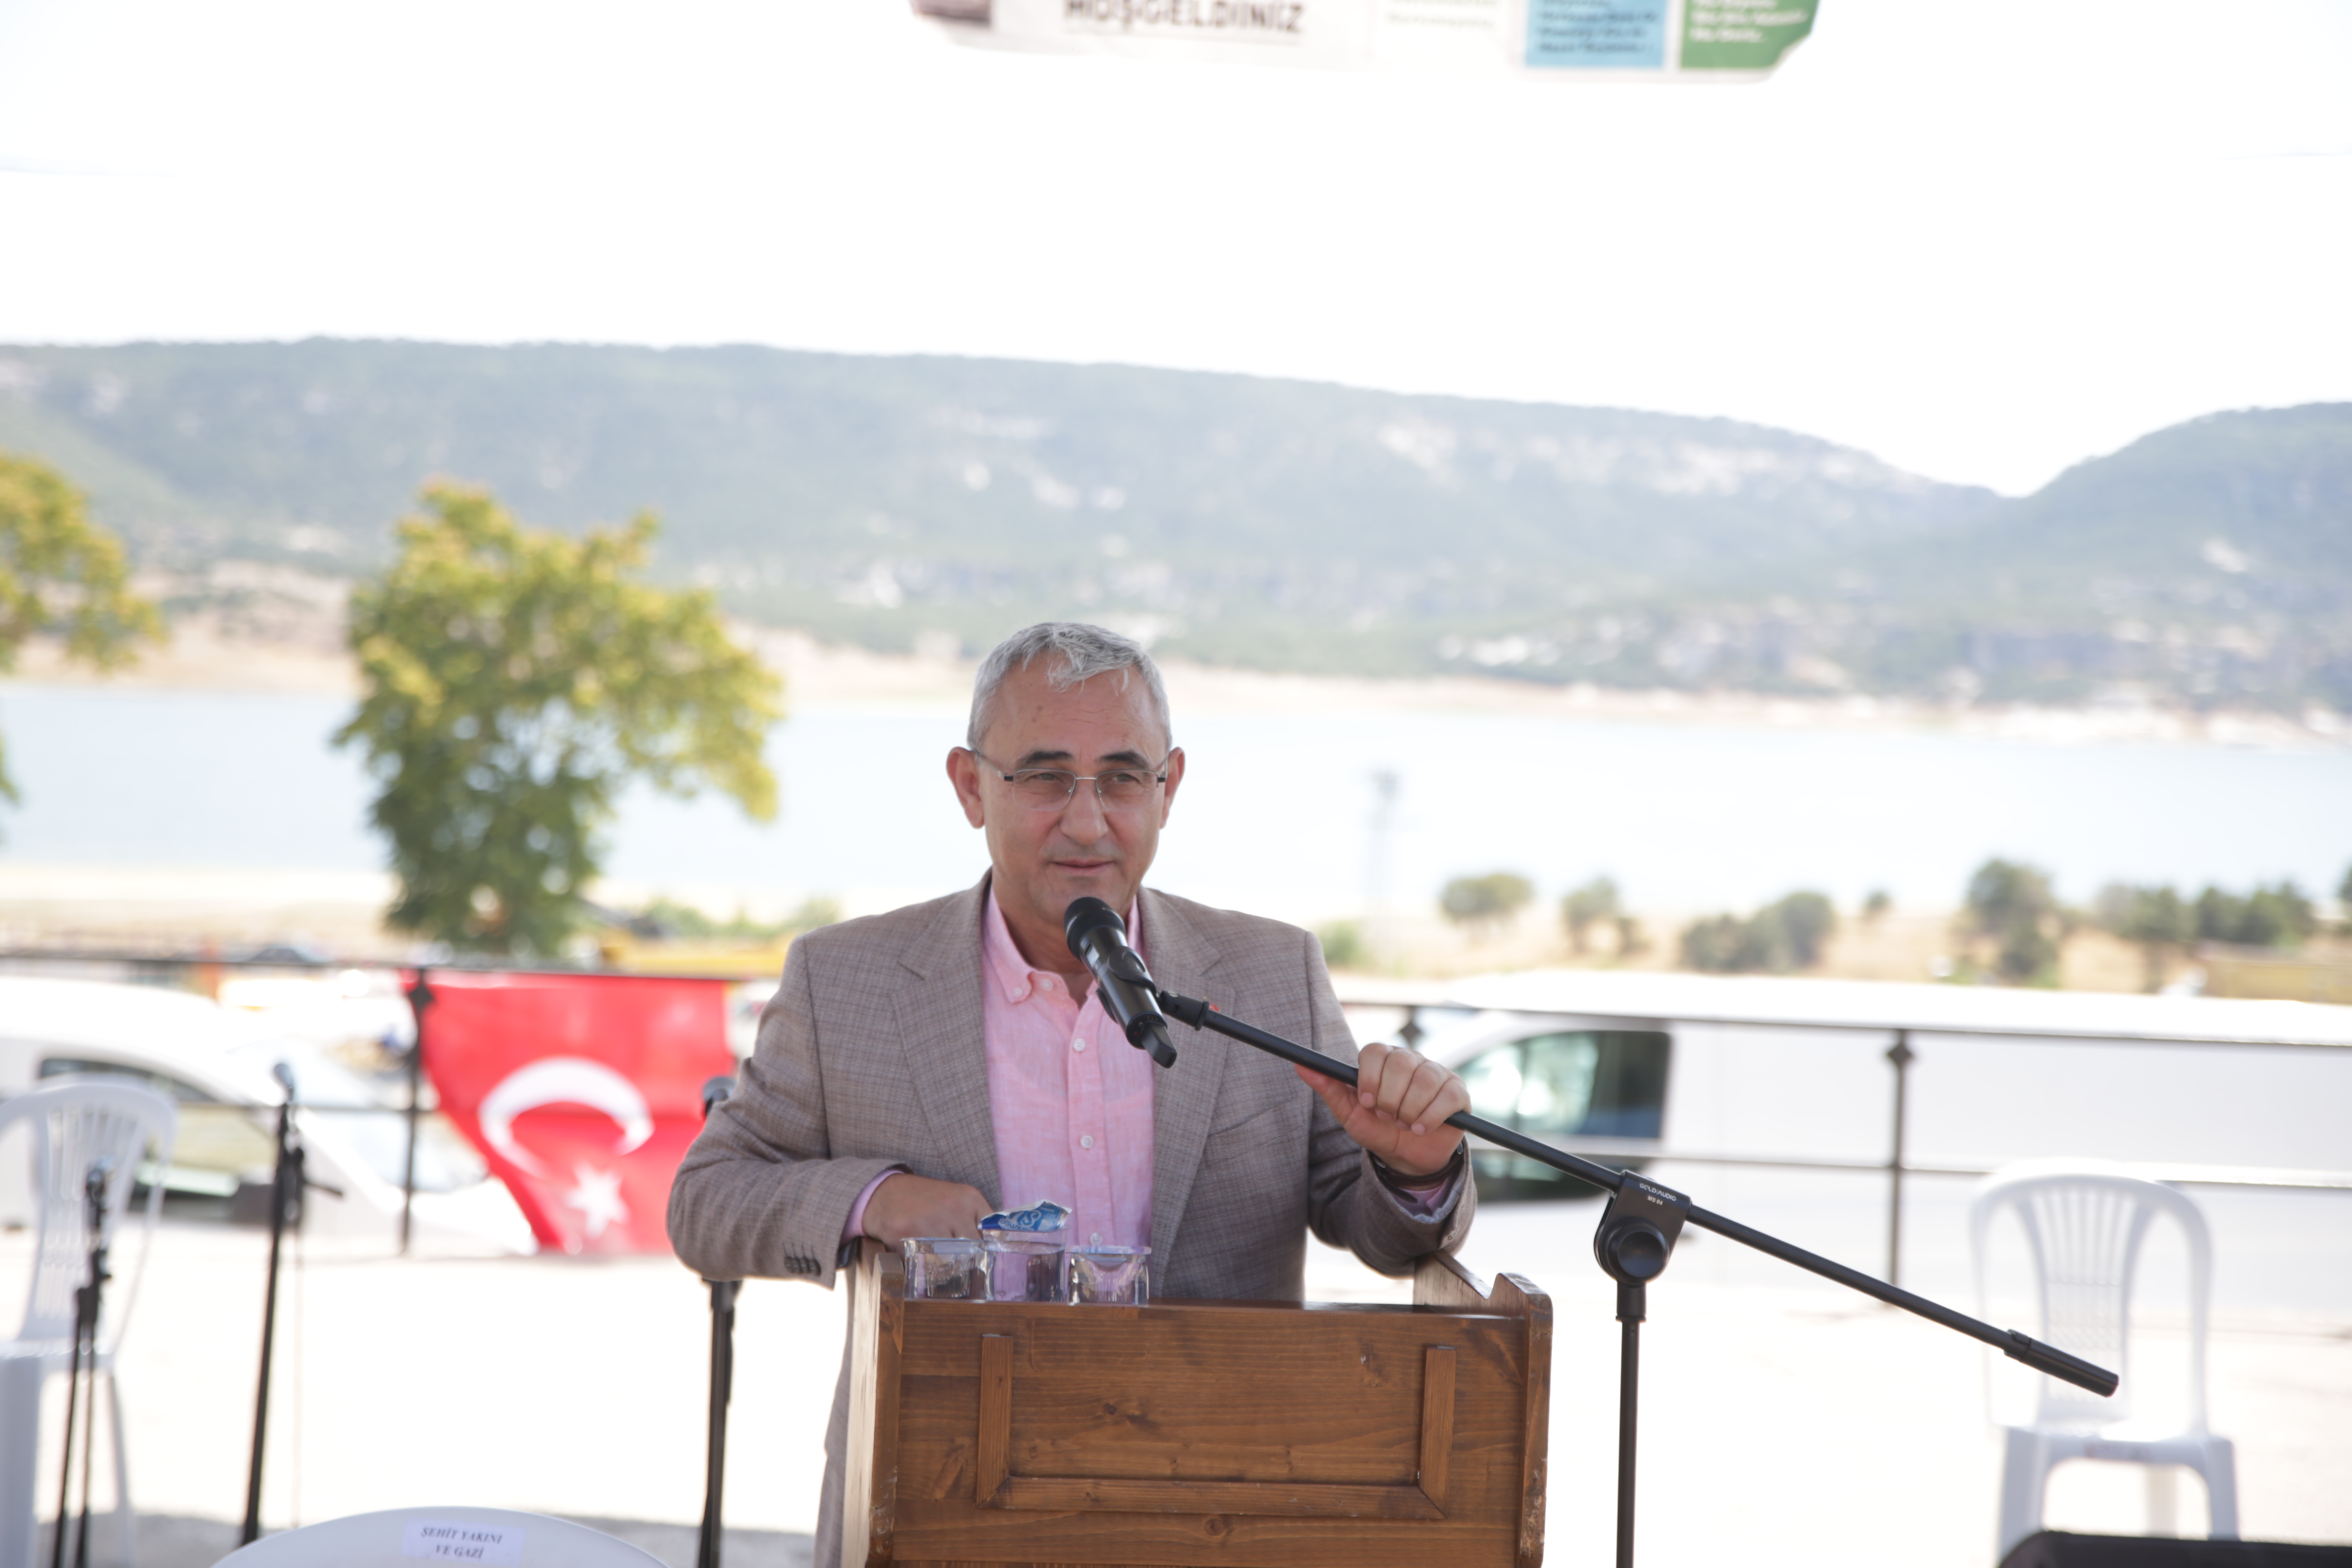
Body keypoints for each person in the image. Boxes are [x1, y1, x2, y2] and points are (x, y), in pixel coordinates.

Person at [667, 621, 1475, 1565]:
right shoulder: (845, 981)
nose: (1088, 823)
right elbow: (706, 1202)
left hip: (1216, 1510)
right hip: (935, 1508)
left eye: (1122, 779)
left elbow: (1372, 1222)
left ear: (1170, 788)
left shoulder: (1271, 971)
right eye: (1046, 778)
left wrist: (1414, 1173)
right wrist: (874, 1201)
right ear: (971, 787)